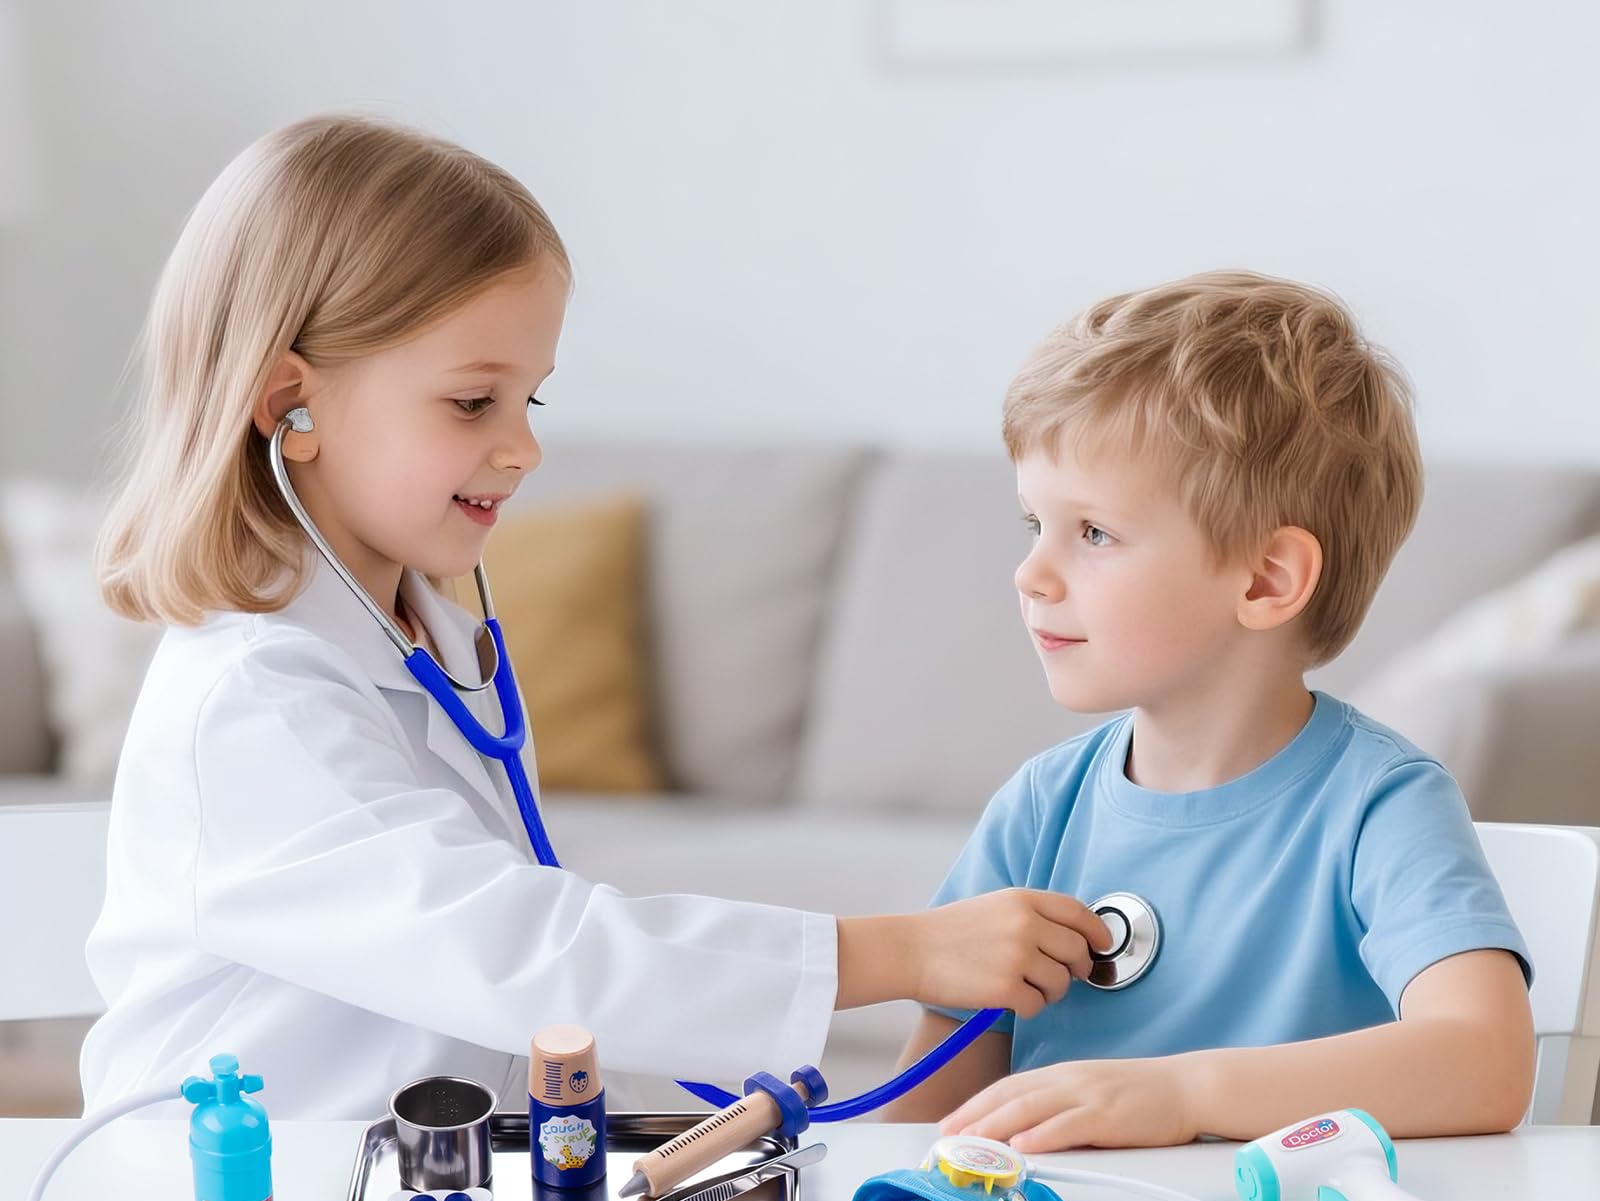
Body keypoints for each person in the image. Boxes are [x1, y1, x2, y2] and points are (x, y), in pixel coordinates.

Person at [79, 114, 1104, 1116]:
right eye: (474, 402)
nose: (522, 448)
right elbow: (517, 952)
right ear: (287, 405)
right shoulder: (255, 696)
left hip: (403, 1196)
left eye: (533, 400)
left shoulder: (418, 637)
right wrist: (909, 950)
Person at [888, 270, 1535, 1149]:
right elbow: (922, 1124)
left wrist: (1183, 1095)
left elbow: (1484, 1061)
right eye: (1031, 523)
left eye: (1093, 533)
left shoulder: (1380, 804)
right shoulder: (1040, 809)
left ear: (1266, 579)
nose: (1030, 574)